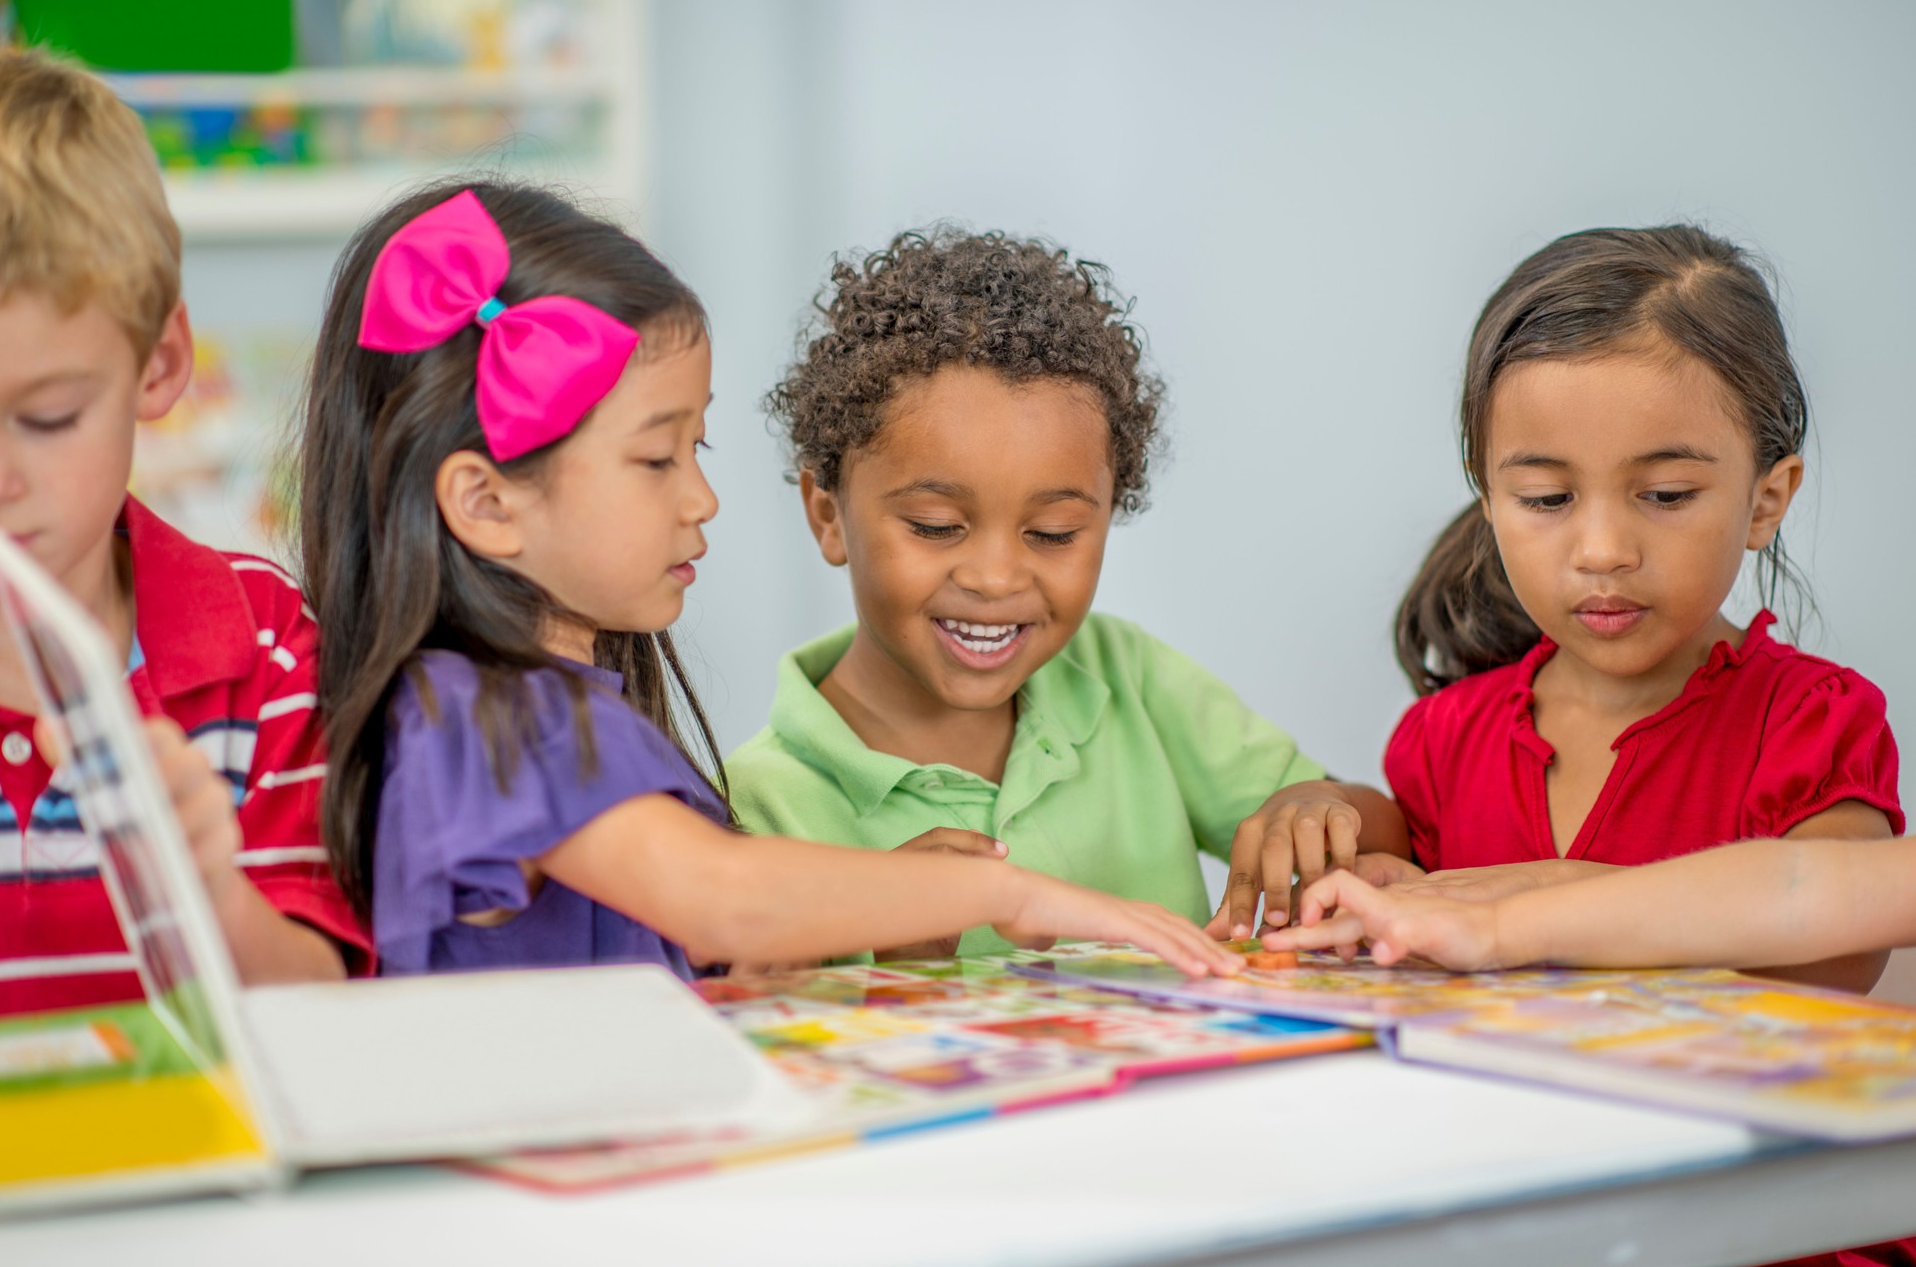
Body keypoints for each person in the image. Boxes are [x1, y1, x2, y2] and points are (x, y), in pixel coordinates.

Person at [297, 184, 1239, 980]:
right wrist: (1006, 889)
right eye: (658, 459)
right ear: (488, 503)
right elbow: (724, 907)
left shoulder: (563, 715)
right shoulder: (485, 715)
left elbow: (703, 972)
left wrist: (873, 917)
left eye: (695, 448)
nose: (703, 499)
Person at [726, 227, 1405, 960]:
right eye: (937, 526)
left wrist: (1313, 810)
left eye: (1052, 533)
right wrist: (893, 938)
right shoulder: (759, 803)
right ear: (827, 514)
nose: (996, 578)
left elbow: (1388, 829)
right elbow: (762, 1030)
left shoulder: (1126, 677)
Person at [1364, 225, 1899, 993]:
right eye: (1547, 499)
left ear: (1765, 500)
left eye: (1666, 495)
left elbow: (1840, 950)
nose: (1604, 550)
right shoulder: (1442, 739)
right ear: (1490, 504)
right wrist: (1332, 814)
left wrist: (1561, 894)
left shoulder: (1810, 721)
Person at [0, 47, 367, 1015]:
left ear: (160, 365)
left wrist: (207, 888)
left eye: (47, 417)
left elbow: (323, 1011)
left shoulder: (267, 645)